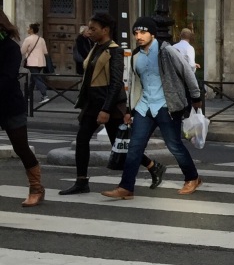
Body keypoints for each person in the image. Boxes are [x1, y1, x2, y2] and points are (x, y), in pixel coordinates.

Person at [59, 13, 163, 195]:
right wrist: (80, 39)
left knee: (120, 143)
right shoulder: (95, 48)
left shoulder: (114, 51)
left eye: (93, 29)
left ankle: (153, 166)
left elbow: (116, 83)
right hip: (92, 103)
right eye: (88, 28)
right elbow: (81, 67)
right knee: (82, 139)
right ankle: (81, 181)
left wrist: (106, 109)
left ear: (105, 30)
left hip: (109, 105)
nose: (89, 31)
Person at [101, 16, 203, 200]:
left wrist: (196, 96)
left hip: (167, 106)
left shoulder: (167, 51)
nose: (138, 36)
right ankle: (126, 187)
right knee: (134, 147)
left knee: (174, 146)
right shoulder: (135, 56)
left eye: (143, 32)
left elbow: (187, 72)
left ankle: (192, 177)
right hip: (144, 107)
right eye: (136, 33)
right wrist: (129, 110)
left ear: (152, 34)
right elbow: (134, 84)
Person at [0, 10, 47, 207]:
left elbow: (8, 78)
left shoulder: (10, 47)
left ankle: (36, 188)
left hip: (10, 105)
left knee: (21, 148)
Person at [19, 23, 49, 103]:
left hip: (32, 62)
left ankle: (44, 95)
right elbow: (45, 52)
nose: (27, 29)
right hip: (41, 62)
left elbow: (22, 51)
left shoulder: (28, 39)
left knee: (36, 78)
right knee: (33, 78)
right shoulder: (41, 39)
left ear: (31, 29)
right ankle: (28, 95)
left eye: (28, 27)